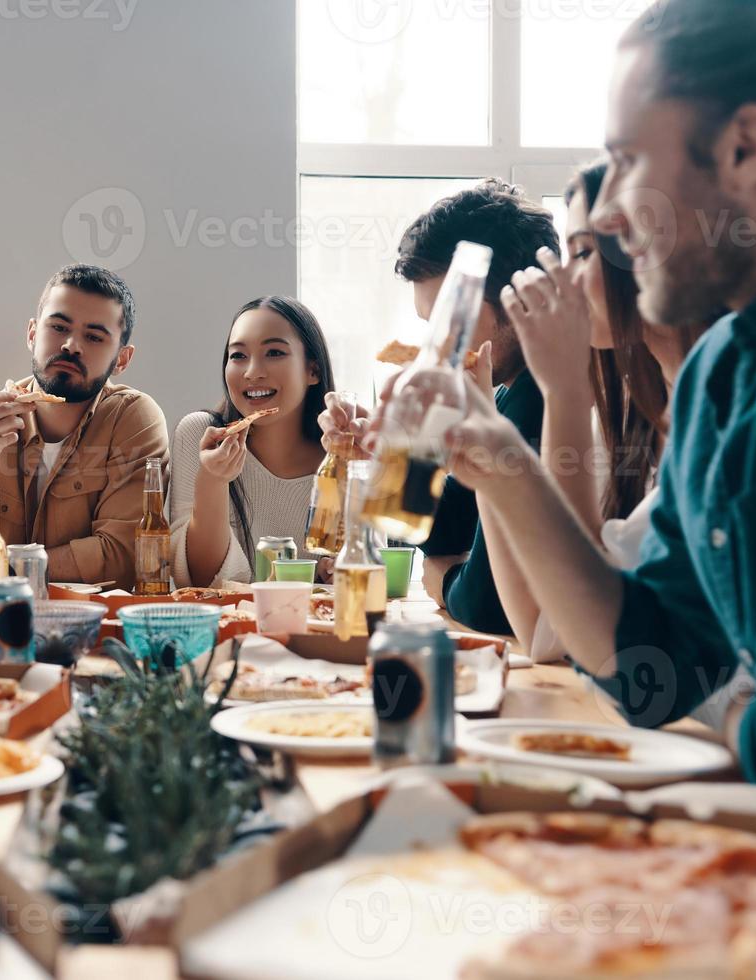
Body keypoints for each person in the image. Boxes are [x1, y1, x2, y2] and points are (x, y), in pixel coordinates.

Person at [441, 0, 756, 825]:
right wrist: (501, 465)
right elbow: (650, 670)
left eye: (624, 160)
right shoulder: (724, 367)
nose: (610, 211)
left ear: (745, 146)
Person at [483, 161, 710, 659]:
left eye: (582, 252)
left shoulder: (724, 416)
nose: (564, 279)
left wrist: (563, 392)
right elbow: (546, 633)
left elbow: (589, 642)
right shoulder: (626, 417)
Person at [320, 180, 558, 633]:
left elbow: (486, 604)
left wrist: (444, 579)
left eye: (451, 322)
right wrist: (385, 451)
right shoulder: (504, 390)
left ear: (514, 298)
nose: (438, 345)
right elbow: (436, 525)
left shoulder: (542, 400)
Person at [0, 264, 168, 590]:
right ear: (31, 333)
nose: (71, 345)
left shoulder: (132, 418)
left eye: (94, 336)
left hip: (91, 628)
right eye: (58, 327)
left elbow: (126, 556)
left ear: (122, 359)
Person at [167, 296, 334, 587]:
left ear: (313, 371)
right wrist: (213, 480)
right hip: (228, 629)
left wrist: (337, 571)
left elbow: (373, 574)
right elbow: (200, 583)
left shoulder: (341, 456)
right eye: (238, 355)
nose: (252, 372)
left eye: (274, 353)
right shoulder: (200, 435)